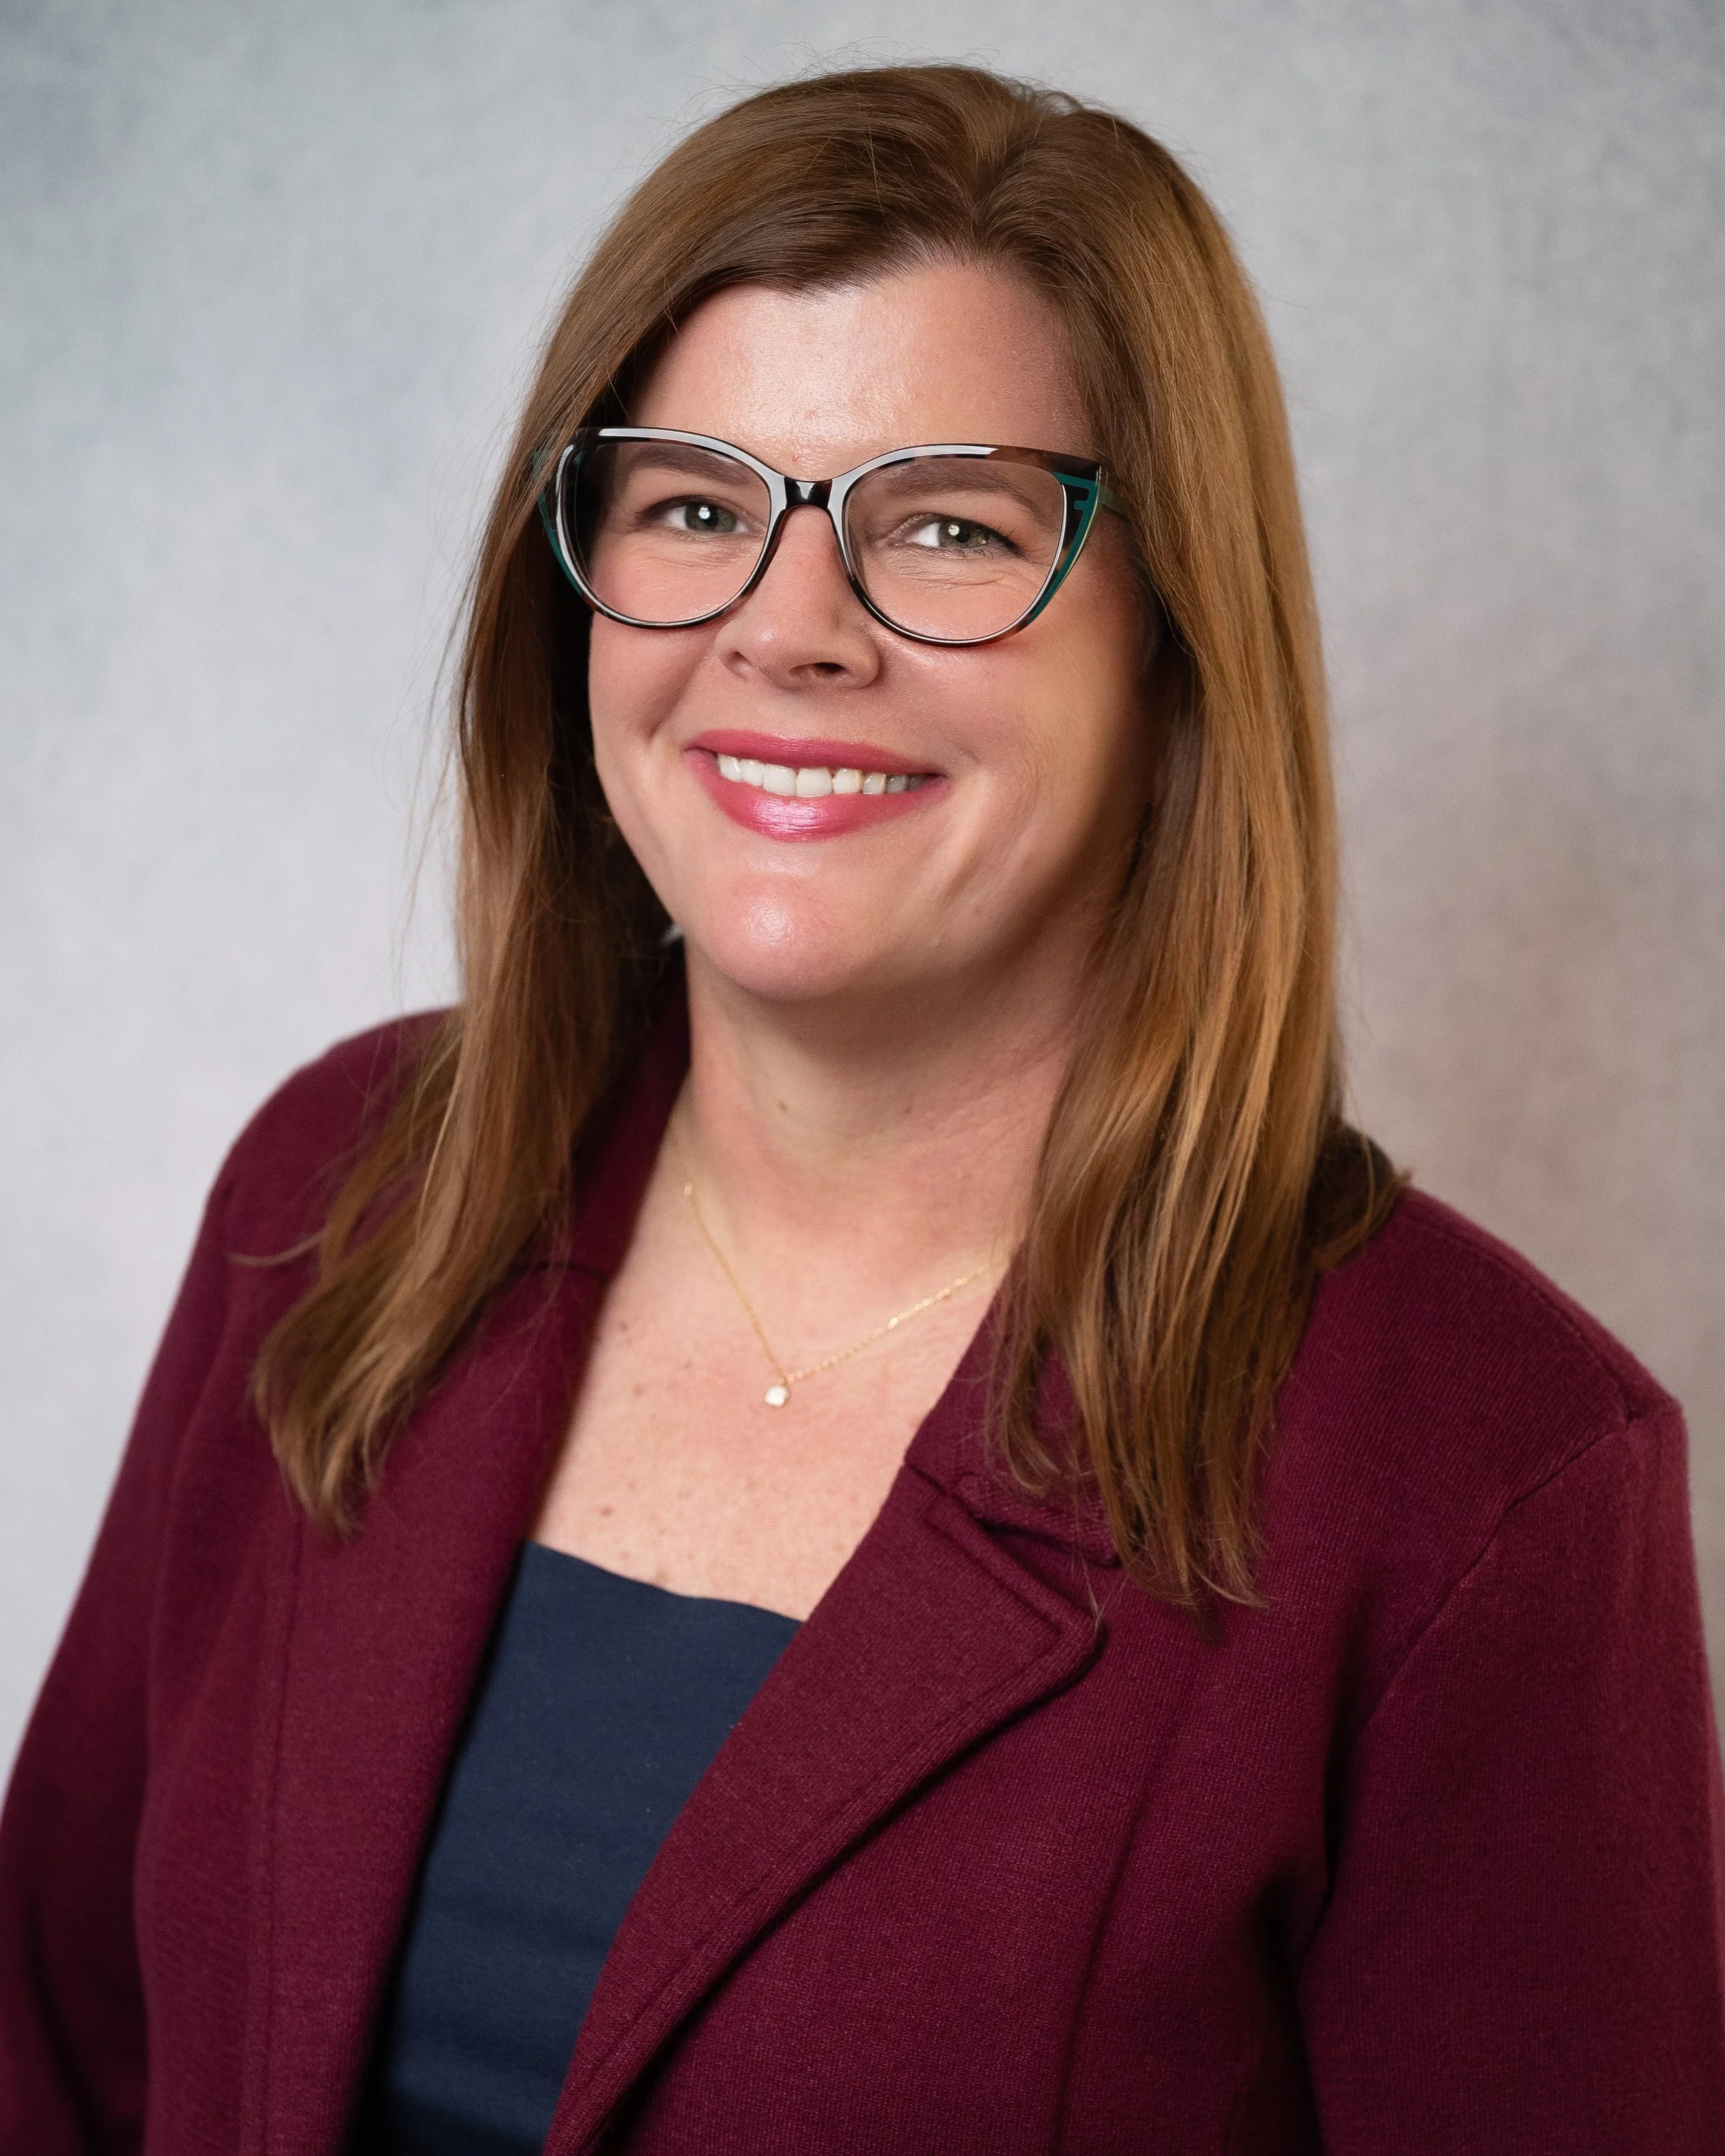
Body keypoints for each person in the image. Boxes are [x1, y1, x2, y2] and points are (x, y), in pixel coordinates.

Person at [2, 61, 1721, 2156]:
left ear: (1174, 655)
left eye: (948, 527)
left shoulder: (1488, 1477)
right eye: (698, 505)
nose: (787, 626)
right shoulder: (341, 1188)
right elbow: (56, 2042)